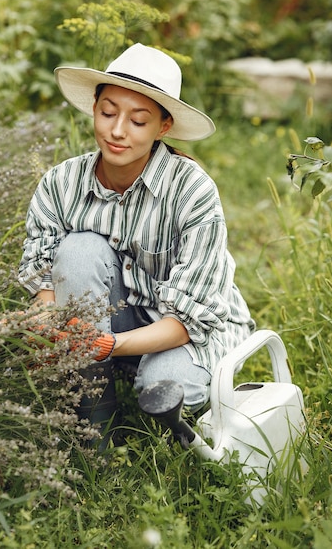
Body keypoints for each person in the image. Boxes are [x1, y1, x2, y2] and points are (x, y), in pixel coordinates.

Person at [18, 43, 255, 442]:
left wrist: (105, 344)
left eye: (138, 121)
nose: (116, 130)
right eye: (108, 112)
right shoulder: (61, 183)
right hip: (111, 326)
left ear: (163, 127)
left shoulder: (192, 191)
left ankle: (144, 394)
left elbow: (184, 323)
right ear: (94, 106)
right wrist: (33, 326)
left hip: (187, 331)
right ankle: (94, 425)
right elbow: (46, 290)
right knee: (78, 250)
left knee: (164, 385)